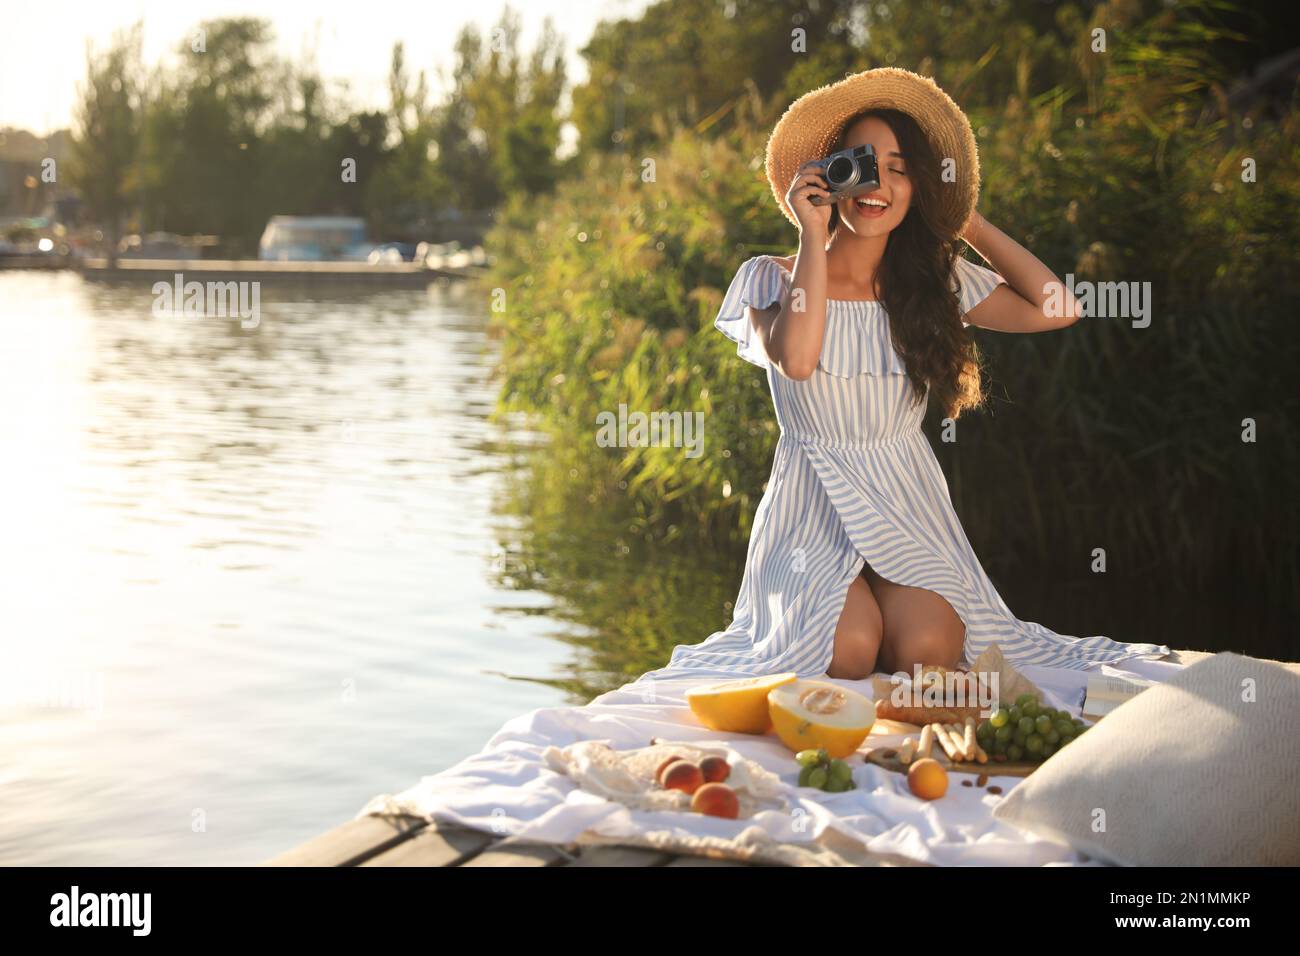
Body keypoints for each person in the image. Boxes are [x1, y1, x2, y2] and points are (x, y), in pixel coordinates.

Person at [636, 68, 1170, 684]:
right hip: (812, 507)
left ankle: (894, 607)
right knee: (847, 650)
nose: (879, 184)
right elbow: (800, 359)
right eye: (860, 164)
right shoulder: (772, 280)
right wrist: (812, 234)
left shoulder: (931, 284)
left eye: (900, 168)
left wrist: (963, 217)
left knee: (928, 652)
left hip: (906, 502)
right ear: (827, 175)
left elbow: (1059, 308)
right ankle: (841, 610)